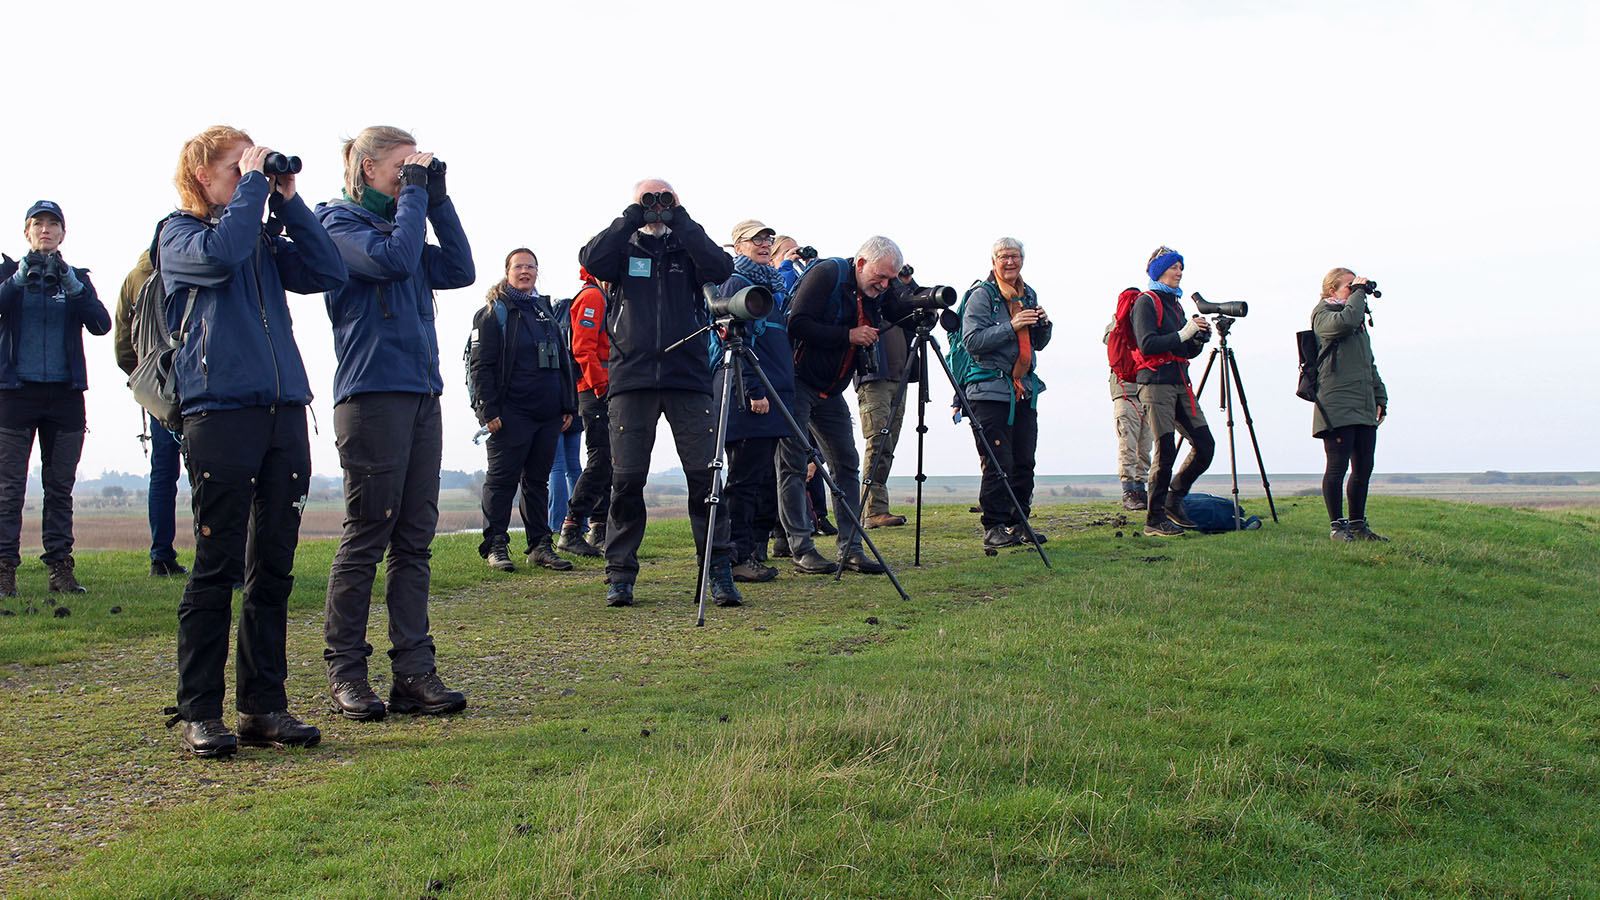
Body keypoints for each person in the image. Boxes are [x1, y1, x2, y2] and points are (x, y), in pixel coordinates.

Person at [160, 126, 347, 757]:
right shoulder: (179, 235)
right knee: (216, 568)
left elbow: (326, 268)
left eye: (251, 166)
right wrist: (250, 194)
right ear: (201, 175)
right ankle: (200, 711)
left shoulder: (261, 234)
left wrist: (289, 201)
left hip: (283, 410)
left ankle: (264, 707)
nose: (248, 178)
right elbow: (220, 256)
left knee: (273, 566)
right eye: (235, 167)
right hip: (219, 412)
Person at [315, 126, 474, 722]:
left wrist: (436, 197)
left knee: (414, 539)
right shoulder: (337, 225)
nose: (412, 174)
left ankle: (413, 671)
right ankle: (346, 671)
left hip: (421, 394)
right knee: (367, 534)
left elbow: (458, 266)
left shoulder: (400, 223)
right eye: (403, 167)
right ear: (366, 167)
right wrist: (414, 197)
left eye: (418, 167)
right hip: (371, 396)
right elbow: (396, 260)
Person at [578, 179, 737, 607]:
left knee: (706, 477)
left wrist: (680, 217)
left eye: (663, 201)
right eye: (650, 201)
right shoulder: (623, 251)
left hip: (687, 377)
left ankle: (718, 570)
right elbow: (592, 258)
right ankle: (621, 575)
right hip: (632, 377)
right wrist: (633, 214)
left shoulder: (687, 249)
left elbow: (721, 267)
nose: (657, 209)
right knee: (626, 479)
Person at [778, 236, 915, 575]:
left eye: (889, 280)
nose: (883, 286)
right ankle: (801, 548)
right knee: (793, 465)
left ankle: (851, 548)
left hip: (832, 389)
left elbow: (899, 312)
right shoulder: (826, 274)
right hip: (797, 382)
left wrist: (922, 301)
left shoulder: (877, 292)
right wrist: (849, 336)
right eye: (880, 278)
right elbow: (796, 324)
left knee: (846, 464)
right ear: (860, 263)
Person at [0, 201, 111, 597]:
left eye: (53, 224)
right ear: (26, 232)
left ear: (63, 233)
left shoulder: (75, 278)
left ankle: (60, 571)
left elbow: (101, 324)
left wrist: (70, 282)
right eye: (38, 224)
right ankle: (3, 573)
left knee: (60, 488)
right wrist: (16, 279)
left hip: (64, 397)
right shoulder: (6, 275)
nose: (45, 230)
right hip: (14, 396)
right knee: (8, 488)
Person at [468, 249, 577, 572]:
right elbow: (481, 367)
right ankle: (496, 545)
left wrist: (567, 405)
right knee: (501, 481)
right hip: (509, 413)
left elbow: (563, 362)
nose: (525, 271)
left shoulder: (544, 311)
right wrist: (487, 412)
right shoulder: (493, 312)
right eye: (519, 266)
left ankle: (540, 546)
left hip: (547, 414)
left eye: (531, 266)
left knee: (537, 481)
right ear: (507, 271)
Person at [712, 219, 794, 585]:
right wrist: (753, 392)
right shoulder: (736, 284)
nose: (764, 243)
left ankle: (751, 552)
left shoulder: (769, 287)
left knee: (760, 477)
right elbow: (735, 341)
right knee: (744, 480)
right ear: (738, 246)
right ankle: (738, 556)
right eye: (755, 239)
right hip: (750, 397)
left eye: (768, 238)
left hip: (770, 392)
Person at [959, 238, 1052, 549]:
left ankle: (1020, 521)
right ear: (993, 260)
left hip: (1023, 389)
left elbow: (1036, 344)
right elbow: (971, 341)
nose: (1010, 262)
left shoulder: (1029, 293)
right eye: (1004, 256)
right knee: (998, 461)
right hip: (987, 390)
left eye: (1015, 256)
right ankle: (994, 526)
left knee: (1025, 460)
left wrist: (1043, 325)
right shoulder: (980, 296)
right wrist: (1012, 326)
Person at [113, 245, 188, 577]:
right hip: (201, 381)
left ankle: (161, 555)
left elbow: (122, 347)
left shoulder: (135, 278)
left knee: (163, 473)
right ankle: (217, 554)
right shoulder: (193, 263)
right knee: (213, 472)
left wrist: (146, 382)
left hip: (158, 390)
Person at [1133, 246, 1215, 537]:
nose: (1179, 273)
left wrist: (1198, 339)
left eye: (1181, 268)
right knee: (1165, 450)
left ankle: (1173, 500)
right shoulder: (1147, 301)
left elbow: (1183, 350)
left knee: (1205, 446)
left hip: (1180, 382)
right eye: (1173, 267)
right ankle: (1154, 520)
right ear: (1158, 271)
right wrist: (1185, 333)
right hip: (1155, 384)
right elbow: (1147, 344)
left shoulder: (1175, 305)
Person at [1312, 268, 1389, 542]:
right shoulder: (1323, 315)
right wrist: (1359, 293)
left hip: (1363, 404)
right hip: (1337, 405)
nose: (1356, 291)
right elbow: (1344, 322)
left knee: (1363, 468)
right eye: (1349, 286)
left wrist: (1381, 398)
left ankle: (1358, 525)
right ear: (1332, 290)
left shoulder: (1357, 324)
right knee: (1337, 467)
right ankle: (1337, 527)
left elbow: (1369, 364)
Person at [856, 264, 917, 529]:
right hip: (874, 377)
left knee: (888, 445)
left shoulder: (900, 300)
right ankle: (871, 511)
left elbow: (918, 301)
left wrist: (905, 283)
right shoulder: (870, 298)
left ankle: (877, 509)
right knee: (878, 442)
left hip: (898, 377)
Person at [557, 266, 610, 558]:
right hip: (595, 389)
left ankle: (598, 528)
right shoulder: (593, 297)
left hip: (600, 386)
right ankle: (572, 527)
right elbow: (583, 347)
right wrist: (601, 385)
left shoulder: (603, 294)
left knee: (609, 460)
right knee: (601, 459)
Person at [1103, 318, 1152, 511]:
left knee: (1144, 445)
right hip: (1128, 393)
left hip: (1144, 390)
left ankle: (1139, 490)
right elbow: (1109, 339)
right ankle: (1130, 492)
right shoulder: (1119, 323)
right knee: (1129, 445)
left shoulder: (1144, 321)